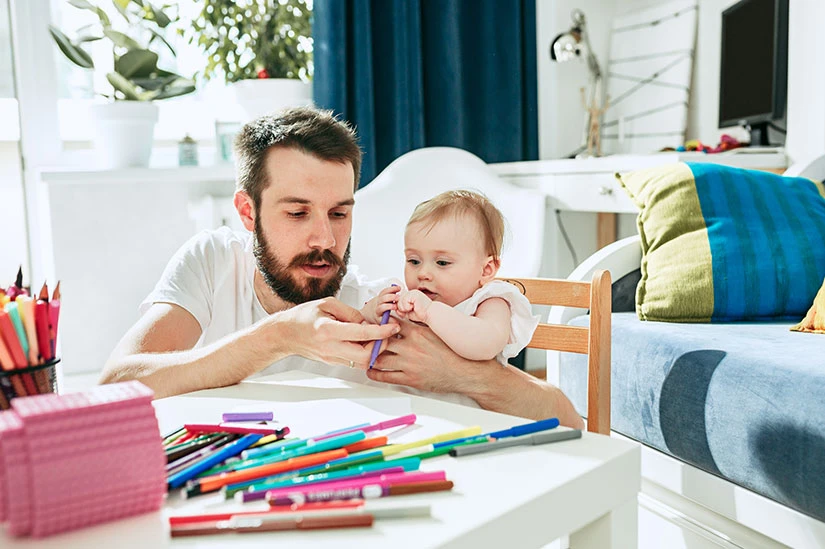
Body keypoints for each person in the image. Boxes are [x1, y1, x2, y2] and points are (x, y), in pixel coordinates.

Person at [100, 107, 584, 429]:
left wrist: (463, 375)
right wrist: (279, 336)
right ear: (248, 212)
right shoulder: (212, 262)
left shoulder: (377, 309)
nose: (325, 240)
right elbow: (114, 387)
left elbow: (567, 419)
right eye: (296, 212)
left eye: (339, 212)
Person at [361, 190, 538, 366]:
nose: (423, 273)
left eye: (442, 263)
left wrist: (430, 311)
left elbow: (485, 344)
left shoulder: (490, 302)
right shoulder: (409, 301)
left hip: (460, 393)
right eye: (414, 261)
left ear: (486, 270)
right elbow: (360, 332)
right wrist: (372, 313)